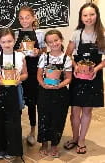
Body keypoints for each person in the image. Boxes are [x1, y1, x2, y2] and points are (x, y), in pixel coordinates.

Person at [63, 3, 105, 154]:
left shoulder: (102, 34)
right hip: (77, 77)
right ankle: (74, 138)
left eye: (91, 14)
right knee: (75, 111)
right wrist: (75, 66)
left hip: (94, 77)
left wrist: (96, 69)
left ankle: (81, 140)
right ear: (81, 17)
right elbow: (68, 54)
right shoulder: (77, 33)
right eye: (85, 15)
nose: (88, 18)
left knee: (87, 110)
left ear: (97, 15)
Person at [0, 28, 27, 160]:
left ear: (14, 40)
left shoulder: (20, 56)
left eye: (9, 41)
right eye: (4, 41)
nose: (7, 44)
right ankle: (0, 148)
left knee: (13, 121)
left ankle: (13, 149)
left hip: (14, 91)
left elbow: (25, 74)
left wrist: (19, 79)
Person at [37, 29, 72, 158]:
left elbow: (68, 78)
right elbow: (39, 76)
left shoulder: (66, 58)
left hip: (60, 94)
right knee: (43, 118)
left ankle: (54, 144)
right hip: (44, 92)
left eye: (56, 40)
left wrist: (59, 85)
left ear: (61, 40)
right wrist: (43, 84)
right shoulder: (44, 57)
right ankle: (44, 143)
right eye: (50, 42)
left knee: (58, 119)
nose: (53, 44)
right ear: (47, 43)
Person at [14, 6, 45, 145]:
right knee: (18, 103)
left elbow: (44, 50)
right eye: (21, 18)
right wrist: (19, 51)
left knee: (32, 104)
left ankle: (32, 131)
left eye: (27, 17)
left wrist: (38, 52)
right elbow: (11, 51)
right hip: (19, 72)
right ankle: (17, 131)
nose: (24, 20)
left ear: (33, 18)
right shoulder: (15, 34)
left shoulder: (39, 33)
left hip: (34, 72)